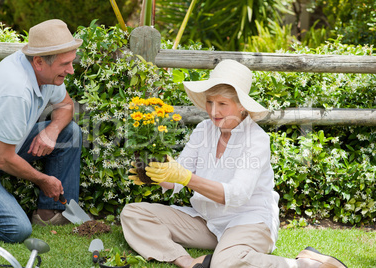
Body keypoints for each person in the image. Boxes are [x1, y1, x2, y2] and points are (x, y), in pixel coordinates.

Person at [120, 60, 347, 268]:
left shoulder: (257, 140)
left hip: (250, 221)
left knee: (225, 262)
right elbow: (178, 177)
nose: (213, 111)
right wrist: (156, 175)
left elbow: (236, 195)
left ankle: (306, 264)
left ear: (242, 107)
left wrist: (187, 178)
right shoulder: (203, 130)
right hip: (208, 221)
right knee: (133, 213)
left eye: (222, 104)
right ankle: (188, 261)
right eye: (209, 102)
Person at [0, 19, 83, 243]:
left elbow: (66, 106)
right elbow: (2, 158)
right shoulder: (15, 90)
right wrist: (43, 180)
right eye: (65, 64)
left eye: (71, 62)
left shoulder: (46, 72)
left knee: (69, 132)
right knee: (17, 230)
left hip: (2, 149)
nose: (71, 71)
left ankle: (51, 213)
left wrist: (52, 130)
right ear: (39, 62)